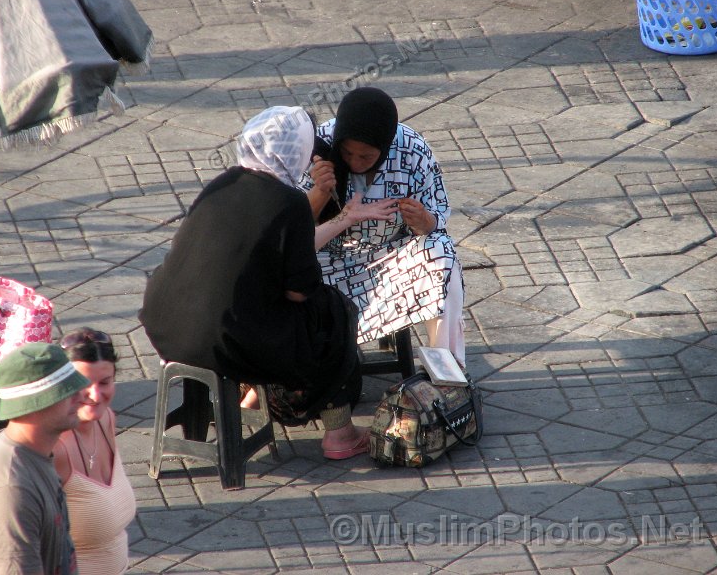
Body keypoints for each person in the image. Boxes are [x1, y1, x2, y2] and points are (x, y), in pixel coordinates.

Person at [139, 106, 397, 459]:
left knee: (271, 313)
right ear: (297, 153)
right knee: (331, 311)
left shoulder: (223, 182)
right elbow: (300, 291)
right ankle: (340, 432)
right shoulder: (288, 202)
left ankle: (247, 396)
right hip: (222, 342)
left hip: (165, 327)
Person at [301, 86, 466, 367]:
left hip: (389, 259)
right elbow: (293, 232)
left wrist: (425, 221)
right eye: (347, 153)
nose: (355, 162)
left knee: (442, 253)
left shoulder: (413, 150)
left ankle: (447, 371)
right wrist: (319, 191)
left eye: (366, 157)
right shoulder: (316, 147)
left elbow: (437, 216)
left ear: (386, 145)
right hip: (325, 263)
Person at [0, 342, 90, 574]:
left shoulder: (34, 453)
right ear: (34, 404)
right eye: (67, 392)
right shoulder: (11, 489)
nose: (81, 397)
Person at [52, 327, 136, 575]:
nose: (95, 395)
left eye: (105, 382)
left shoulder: (106, 419)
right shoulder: (54, 451)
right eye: (82, 383)